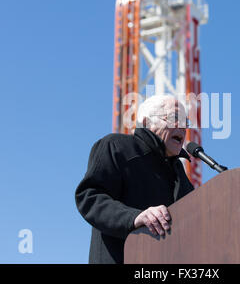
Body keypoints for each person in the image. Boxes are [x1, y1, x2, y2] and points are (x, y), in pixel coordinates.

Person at [75, 95, 195, 264]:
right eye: (175, 118)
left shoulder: (179, 172)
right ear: (147, 122)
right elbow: (90, 198)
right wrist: (135, 218)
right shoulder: (116, 146)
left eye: (186, 122)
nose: (182, 127)